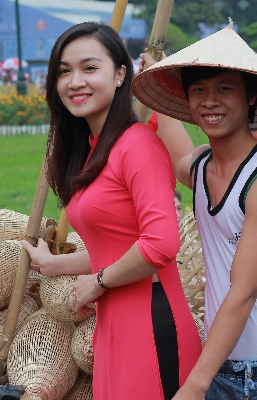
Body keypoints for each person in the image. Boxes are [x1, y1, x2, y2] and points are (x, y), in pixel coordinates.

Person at [134, 22, 257, 399]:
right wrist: (154, 67)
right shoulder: (205, 167)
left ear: (251, 96)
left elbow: (243, 291)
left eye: (224, 89)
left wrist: (194, 384)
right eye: (198, 91)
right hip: (224, 362)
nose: (210, 102)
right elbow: (179, 157)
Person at [20, 21, 202, 400]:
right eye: (64, 71)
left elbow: (160, 245)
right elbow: (118, 245)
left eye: (90, 68)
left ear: (120, 74)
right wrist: (55, 264)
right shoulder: (91, 148)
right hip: (115, 324)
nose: (75, 81)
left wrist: (98, 281)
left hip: (151, 324)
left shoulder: (138, 146)